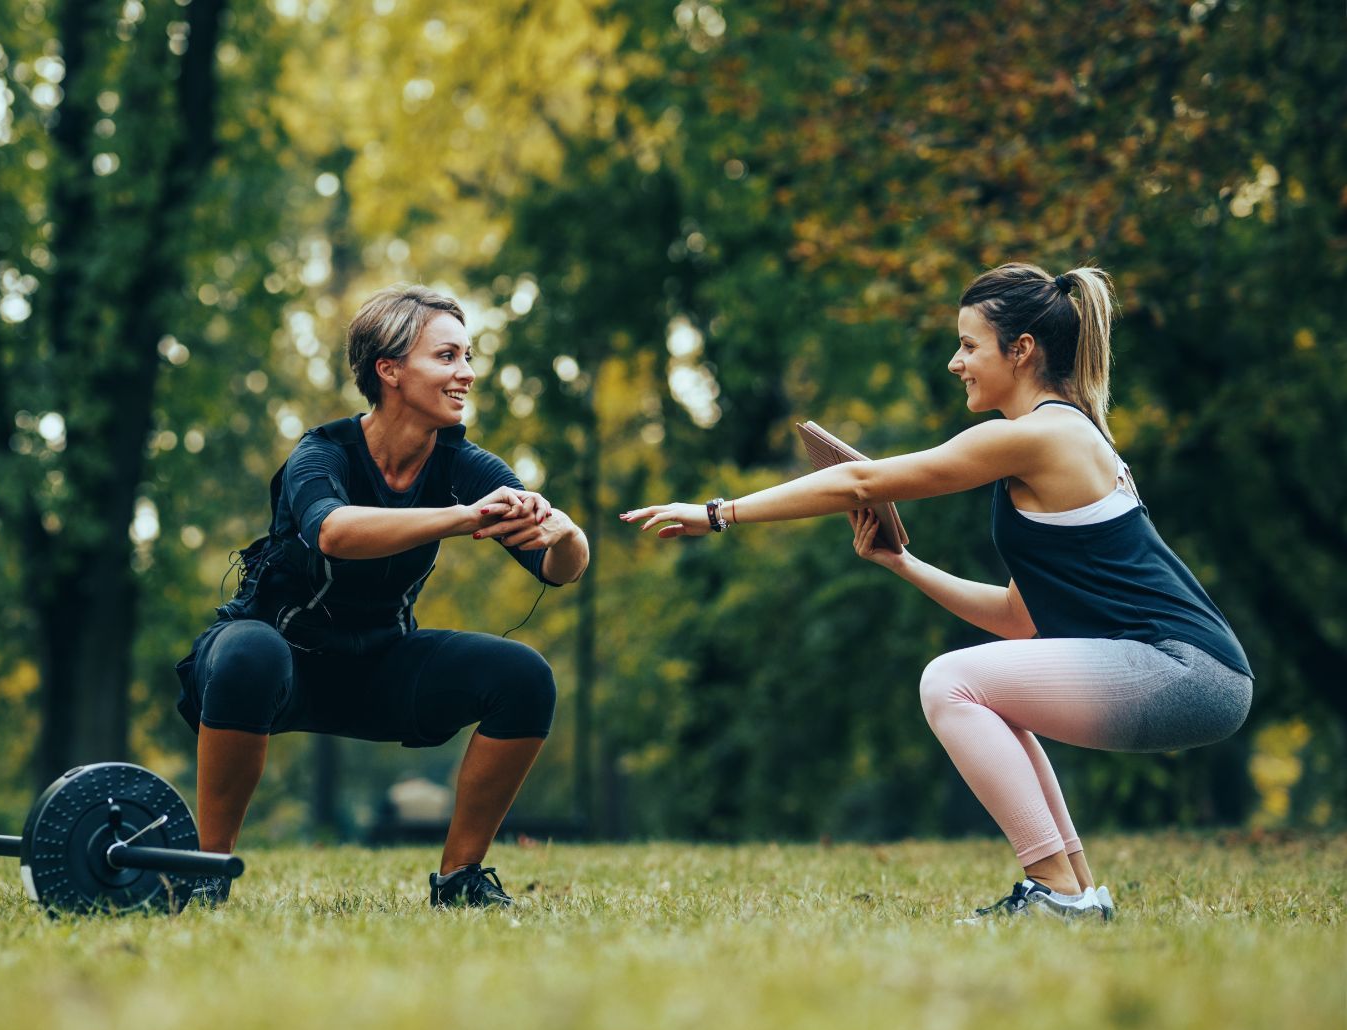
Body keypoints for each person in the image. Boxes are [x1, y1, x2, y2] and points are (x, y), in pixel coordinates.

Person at [622, 263, 1251, 922]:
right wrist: (902, 563)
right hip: (1189, 672)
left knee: (948, 680)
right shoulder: (1055, 440)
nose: (956, 363)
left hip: (1186, 671)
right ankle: (1076, 897)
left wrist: (720, 513)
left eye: (969, 346)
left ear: (1021, 350)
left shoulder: (1039, 436)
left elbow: (863, 483)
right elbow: (1017, 618)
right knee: (979, 688)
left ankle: (1056, 894)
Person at [175, 285, 589, 908]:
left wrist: (568, 535)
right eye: (447, 357)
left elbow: (557, 570)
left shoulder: (464, 464)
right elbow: (335, 532)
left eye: (468, 356)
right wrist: (457, 518)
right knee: (247, 653)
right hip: (277, 660)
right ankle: (207, 871)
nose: (467, 373)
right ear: (389, 370)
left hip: (379, 666)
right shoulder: (322, 453)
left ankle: (460, 879)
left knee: (525, 677)